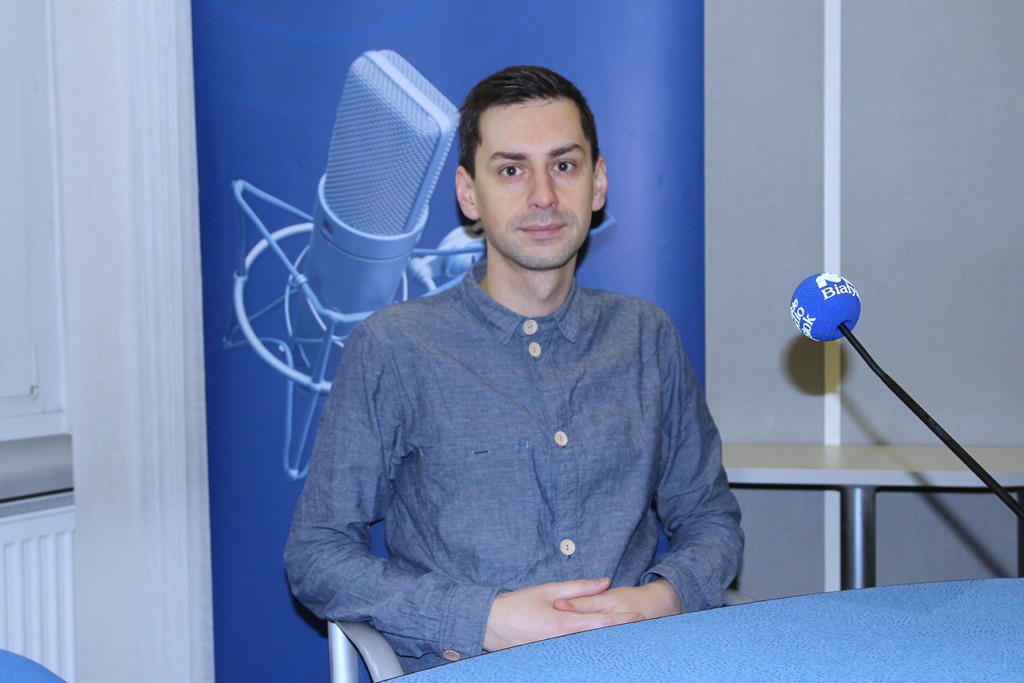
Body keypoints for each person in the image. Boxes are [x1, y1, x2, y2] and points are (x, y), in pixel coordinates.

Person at [285, 65, 743, 673]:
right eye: (511, 170)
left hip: (634, 663)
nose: (543, 196)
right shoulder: (394, 348)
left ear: (598, 183)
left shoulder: (645, 337)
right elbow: (316, 554)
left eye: (564, 165)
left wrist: (665, 597)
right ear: (468, 193)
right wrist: (483, 618)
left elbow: (710, 518)